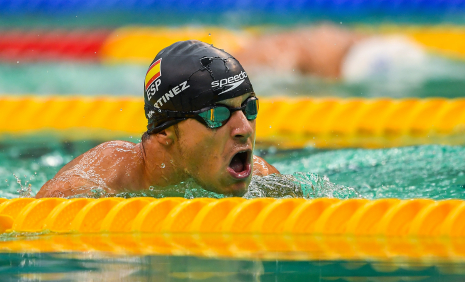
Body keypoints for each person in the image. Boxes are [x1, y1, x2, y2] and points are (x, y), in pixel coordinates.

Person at [36, 40, 279, 199]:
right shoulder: (87, 189)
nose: (244, 129)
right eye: (216, 114)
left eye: (250, 107)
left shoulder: (263, 180)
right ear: (165, 131)